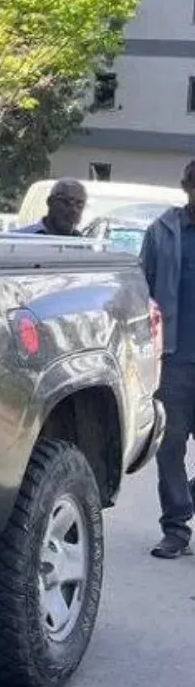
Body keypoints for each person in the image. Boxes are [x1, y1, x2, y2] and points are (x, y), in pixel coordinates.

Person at [142, 160, 195, 558]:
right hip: (175, 361)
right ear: (186, 186)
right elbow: (142, 293)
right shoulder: (162, 233)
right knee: (170, 445)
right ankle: (176, 527)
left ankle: (187, 498)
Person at [15, 179, 87, 236]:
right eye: (67, 202)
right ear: (50, 201)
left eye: (79, 204)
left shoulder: (84, 245)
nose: (74, 210)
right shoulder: (20, 238)